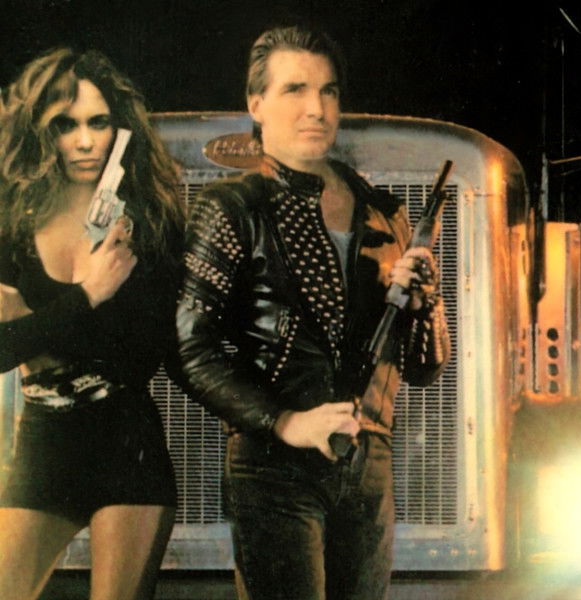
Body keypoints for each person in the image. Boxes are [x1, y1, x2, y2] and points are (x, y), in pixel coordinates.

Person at [177, 25, 450, 600]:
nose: (316, 109)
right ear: (256, 104)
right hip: (275, 465)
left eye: (328, 92)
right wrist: (284, 422)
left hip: (367, 463)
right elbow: (190, 349)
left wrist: (424, 304)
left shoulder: (383, 212)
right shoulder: (232, 206)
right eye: (295, 89)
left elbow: (425, 369)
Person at [0, 47, 185, 600]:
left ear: (119, 128)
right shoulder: (12, 225)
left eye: (98, 122)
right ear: (40, 131)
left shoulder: (148, 221)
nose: (84, 141)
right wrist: (89, 294)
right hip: (43, 445)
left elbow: (147, 355)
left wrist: (35, 326)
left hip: (126, 447)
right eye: (66, 124)